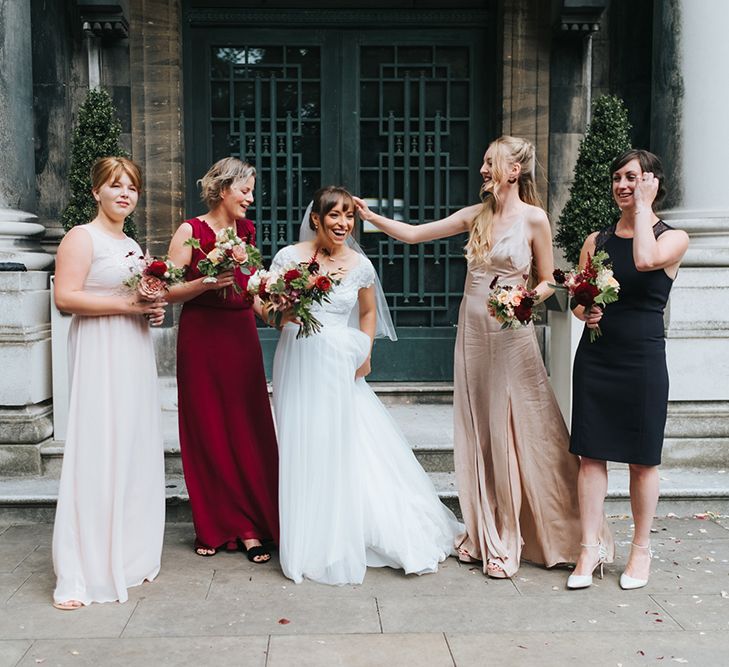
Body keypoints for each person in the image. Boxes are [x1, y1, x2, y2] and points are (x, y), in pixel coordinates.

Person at [355, 135, 611, 579]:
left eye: (490, 162)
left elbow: (551, 280)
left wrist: (526, 298)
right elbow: (416, 234)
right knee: (481, 429)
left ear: (514, 170)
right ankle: (484, 528)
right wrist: (371, 216)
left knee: (512, 427)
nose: (482, 170)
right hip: (473, 329)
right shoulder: (476, 215)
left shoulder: (534, 220)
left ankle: (510, 538)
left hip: (512, 330)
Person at [271, 186, 461, 585]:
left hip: (340, 359)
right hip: (298, 357)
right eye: (334, 216)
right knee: (303, 436)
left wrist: (365, 352)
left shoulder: (359, 264)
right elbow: (271, 308)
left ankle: (344, 531)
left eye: (349, 216)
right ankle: (308, 528)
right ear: (316, 220)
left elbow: (369, 312)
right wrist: (285, 310)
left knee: (340, 438)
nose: (342, 224)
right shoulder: (288, 259)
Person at [567, 149, 689, 590]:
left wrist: (641, 210)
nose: (623, 184)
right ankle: (589, 549)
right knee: (590, 455)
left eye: (633, 177)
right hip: (597, 357)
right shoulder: (595, 240)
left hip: (642, 359)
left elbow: (643, 261)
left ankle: (641, 550)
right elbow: (580, 299)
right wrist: (586, 312)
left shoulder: (674, 238)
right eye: (618, 177)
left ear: (652, 182)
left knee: (642, 460)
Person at [52, 157, 166, 609]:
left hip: (133, 351)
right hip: (99, 349)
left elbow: (136, 298)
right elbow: (65, 298)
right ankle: (80, 569)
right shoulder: (82, 237)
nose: (124, 194)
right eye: (115, 186)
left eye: (132, 188)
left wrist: (151, 310)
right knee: (97, 446)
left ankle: (127, 554)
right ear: (96, 190)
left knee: (131, 444)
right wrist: (129, 305)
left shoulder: (132, 243)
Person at [166, 157, 278, 563]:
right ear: (222, 189)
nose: (250, 197)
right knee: (208, 427)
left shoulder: (245, 232)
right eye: (244, 190)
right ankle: (215, 523)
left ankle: (252, 525)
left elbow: (251, 291)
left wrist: (276, 312)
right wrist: (205, 281)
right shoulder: (190, 231)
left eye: (251, 190)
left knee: (247, 426)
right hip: (202, 338)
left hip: (240, 337)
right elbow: (168, 290)